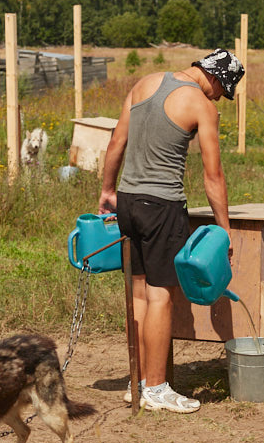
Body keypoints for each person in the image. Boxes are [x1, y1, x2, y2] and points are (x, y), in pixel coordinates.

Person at [97, 47, 244, 413]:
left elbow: (117, 141)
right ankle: (157, 388)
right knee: (161, 297)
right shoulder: (200, 105)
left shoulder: (144, 83)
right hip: (162, 207)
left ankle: (139, 381)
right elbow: (214, 177)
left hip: (129, 203)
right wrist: (223, 231)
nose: (217, 98)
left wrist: (107, 190)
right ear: (213, 77)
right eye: (220, 90)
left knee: (140, 295)